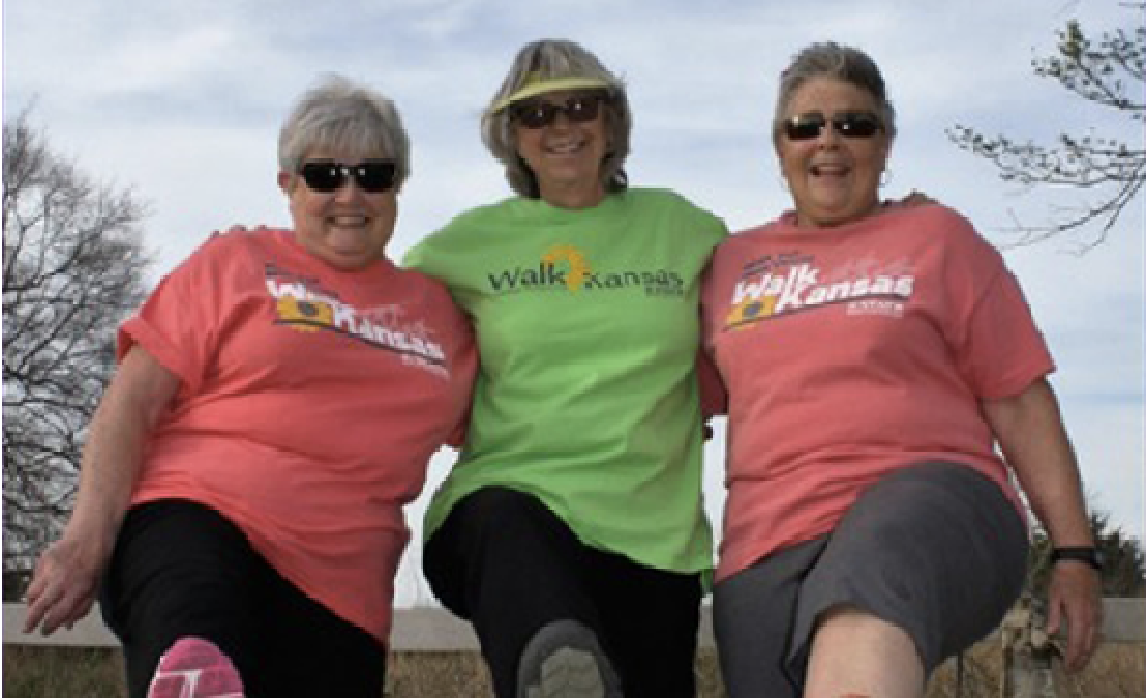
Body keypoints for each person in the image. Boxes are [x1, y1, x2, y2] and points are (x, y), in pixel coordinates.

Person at [21, 75, 477, 698]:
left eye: (373, 175)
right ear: (288, 185)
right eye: (324, 175)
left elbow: (502, 423)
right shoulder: (235, 261)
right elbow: (131, 402)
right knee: (198, 648)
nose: (350, 194)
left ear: (396, 188)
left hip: (341, 584)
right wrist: (85, 542)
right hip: (196, 519)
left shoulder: (439, 315)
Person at [701, 41, 1103, 698]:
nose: (829, 141)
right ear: (780, 148)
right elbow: (664, 395)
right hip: (768, 545)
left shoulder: (937, 238)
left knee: (867, 592)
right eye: (807, 126)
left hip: (934, 505)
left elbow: (1020, 398)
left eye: (854, 124)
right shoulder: (729, 267)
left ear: (885, 143)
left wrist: (1075, 552)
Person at [403, 39, 728, 698]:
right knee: (552, 657)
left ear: (611, 122)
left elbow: (777, 302)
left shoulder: (685, 229)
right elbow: (368, 314)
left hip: (651, 540)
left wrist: (881, 226)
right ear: (511, 138)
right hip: (508, 517)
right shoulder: (465, 245)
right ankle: (560, 669)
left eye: (580, 106)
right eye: (536, 115)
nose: (561, 128)